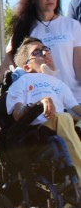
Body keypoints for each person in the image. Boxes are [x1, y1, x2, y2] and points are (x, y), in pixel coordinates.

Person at [0, 0, 81, 102]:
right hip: (39, 102)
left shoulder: (72, 25)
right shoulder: (24, 29)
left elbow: (78, 66)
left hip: (73, 99)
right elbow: (8, 64)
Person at [6, 37, 81, 174]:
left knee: (68, 119)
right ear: (27, 67)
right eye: (37, 52)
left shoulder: (58, 83)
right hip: (41, 129)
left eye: (45, 49)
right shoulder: (21, 83)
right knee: (64, 117)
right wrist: (39, 103)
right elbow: (17, 114)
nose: (45, 53)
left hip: (64, 124)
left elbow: (77, 110)